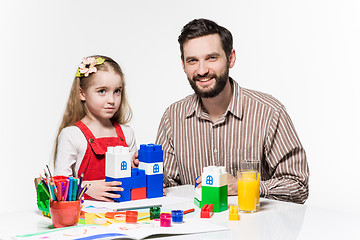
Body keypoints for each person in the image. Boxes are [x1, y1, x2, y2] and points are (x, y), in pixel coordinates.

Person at [154, 18, 309, 204]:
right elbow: (170, 186)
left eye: (212, 58)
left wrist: (245, 186)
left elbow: (298, 186)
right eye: (193, 60)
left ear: (231, 58)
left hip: (254, 229)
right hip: (198, 229)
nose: (202, 70)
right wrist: (149, 172)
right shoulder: (172, 117)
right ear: (183, 64)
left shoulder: (269, 112)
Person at [54, 55, 137, 201]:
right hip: (86, 217)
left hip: (121, 213)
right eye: (102, 91)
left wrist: (139, 169)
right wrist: (87, 188)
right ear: (82, 93)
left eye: (117, 91)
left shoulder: (127, 133)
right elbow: (59, 186)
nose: (111, 100)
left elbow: (133, 180)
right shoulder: (72, 135)